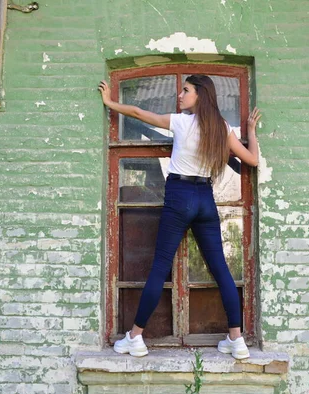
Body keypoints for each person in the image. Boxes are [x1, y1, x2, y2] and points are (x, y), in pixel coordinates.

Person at [98, 75, 261, 359]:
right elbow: (252, 160)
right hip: (205, 198)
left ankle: (135, 337)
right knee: (221, 268)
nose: (180, 95)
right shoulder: (221, 128)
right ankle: (237, 340)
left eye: (186, 90)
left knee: (160, 266)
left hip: (180, 194)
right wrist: (251, 132)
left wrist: (110, 102)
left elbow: (138, 113)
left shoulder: (183, 122)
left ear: (200, 95)